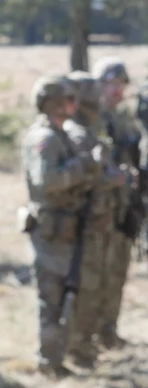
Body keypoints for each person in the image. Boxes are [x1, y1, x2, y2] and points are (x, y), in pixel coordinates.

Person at [19, 75, 101, 377]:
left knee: (66, 294)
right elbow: (48, 181)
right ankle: (48, 361)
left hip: (66, 228)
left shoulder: (60, 134)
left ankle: (58, 356)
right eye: (68, 99)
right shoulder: (45, 138)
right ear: (54, 102)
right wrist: (84, 166)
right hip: (51, 231)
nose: (75, 104)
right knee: (52, 298)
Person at [64, 70, 122, 368]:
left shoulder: (88, 133)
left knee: (95, 286)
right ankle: (78, 347)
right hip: (84, 225)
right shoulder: (76, 135)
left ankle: (86, 343)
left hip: (98, 222)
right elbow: (86, 178)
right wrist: (113, 178)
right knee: (84, 288)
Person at [92, 57, 141, 348]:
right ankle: (89, 332)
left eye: (121, 85)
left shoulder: (124, 119)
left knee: (118, 271)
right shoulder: (92, 120)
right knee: (95, 273)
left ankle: (109, 330)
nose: (117, 90)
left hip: (124, 207)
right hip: (100, 208)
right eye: (111, 84)